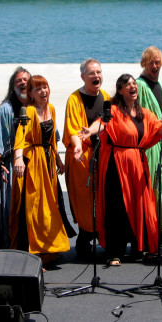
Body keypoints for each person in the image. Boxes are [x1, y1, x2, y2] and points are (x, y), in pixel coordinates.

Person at [79, 74, 162, 266]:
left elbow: (160, 130)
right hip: (117, 164)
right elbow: (101, 123)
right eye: (127, 85)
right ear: (120, 90)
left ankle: (139, 247)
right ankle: (114, 252)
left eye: (134, 84)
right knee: (116, 207)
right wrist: (89, 131)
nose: (132, 87)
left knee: (140, 205)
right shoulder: (115, 111)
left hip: (137, 165)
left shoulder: (145, 113)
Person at [10, 75, 70, 266]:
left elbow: (52, 139)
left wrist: (59, 159)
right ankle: (32, 251)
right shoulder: (28, 110)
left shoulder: (51, 109)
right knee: (34, 208)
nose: (43, 92)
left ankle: (48, 247)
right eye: (38, 89)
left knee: (51, 207)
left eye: (45, 87)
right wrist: (18, 157)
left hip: (49, 162)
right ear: (31, 94)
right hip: (34, 162)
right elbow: (20, 136)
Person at [63, 58, 111, 259]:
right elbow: (73, 129)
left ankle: (105, 240)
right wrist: (76, 147)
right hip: (81, 157)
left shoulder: (107, 97)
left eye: (98, 72)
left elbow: (110, 124)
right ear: (83, 76)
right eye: (91, 73)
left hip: (103, 156)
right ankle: (84, 241)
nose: (96, 76)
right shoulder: (74, 99)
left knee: (102, 199)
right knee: (84, 201)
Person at [136, 46, 162, 245]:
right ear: (144, 63)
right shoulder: (139, 85)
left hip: (161, 147)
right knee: (151, 192)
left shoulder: (161, 84)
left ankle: (160, 237)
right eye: (151, 62)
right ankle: (148, 238)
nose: (155, 66)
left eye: (158, 62)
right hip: (148, 147)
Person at [0, 66, 30, 249]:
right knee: (7, 210)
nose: (22, 83)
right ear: (13, 86)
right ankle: (5, 246)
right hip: (10, 166)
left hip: (30, 164)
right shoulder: (6, 109)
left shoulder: (33, 106)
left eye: (26, 80)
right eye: (18, 80)